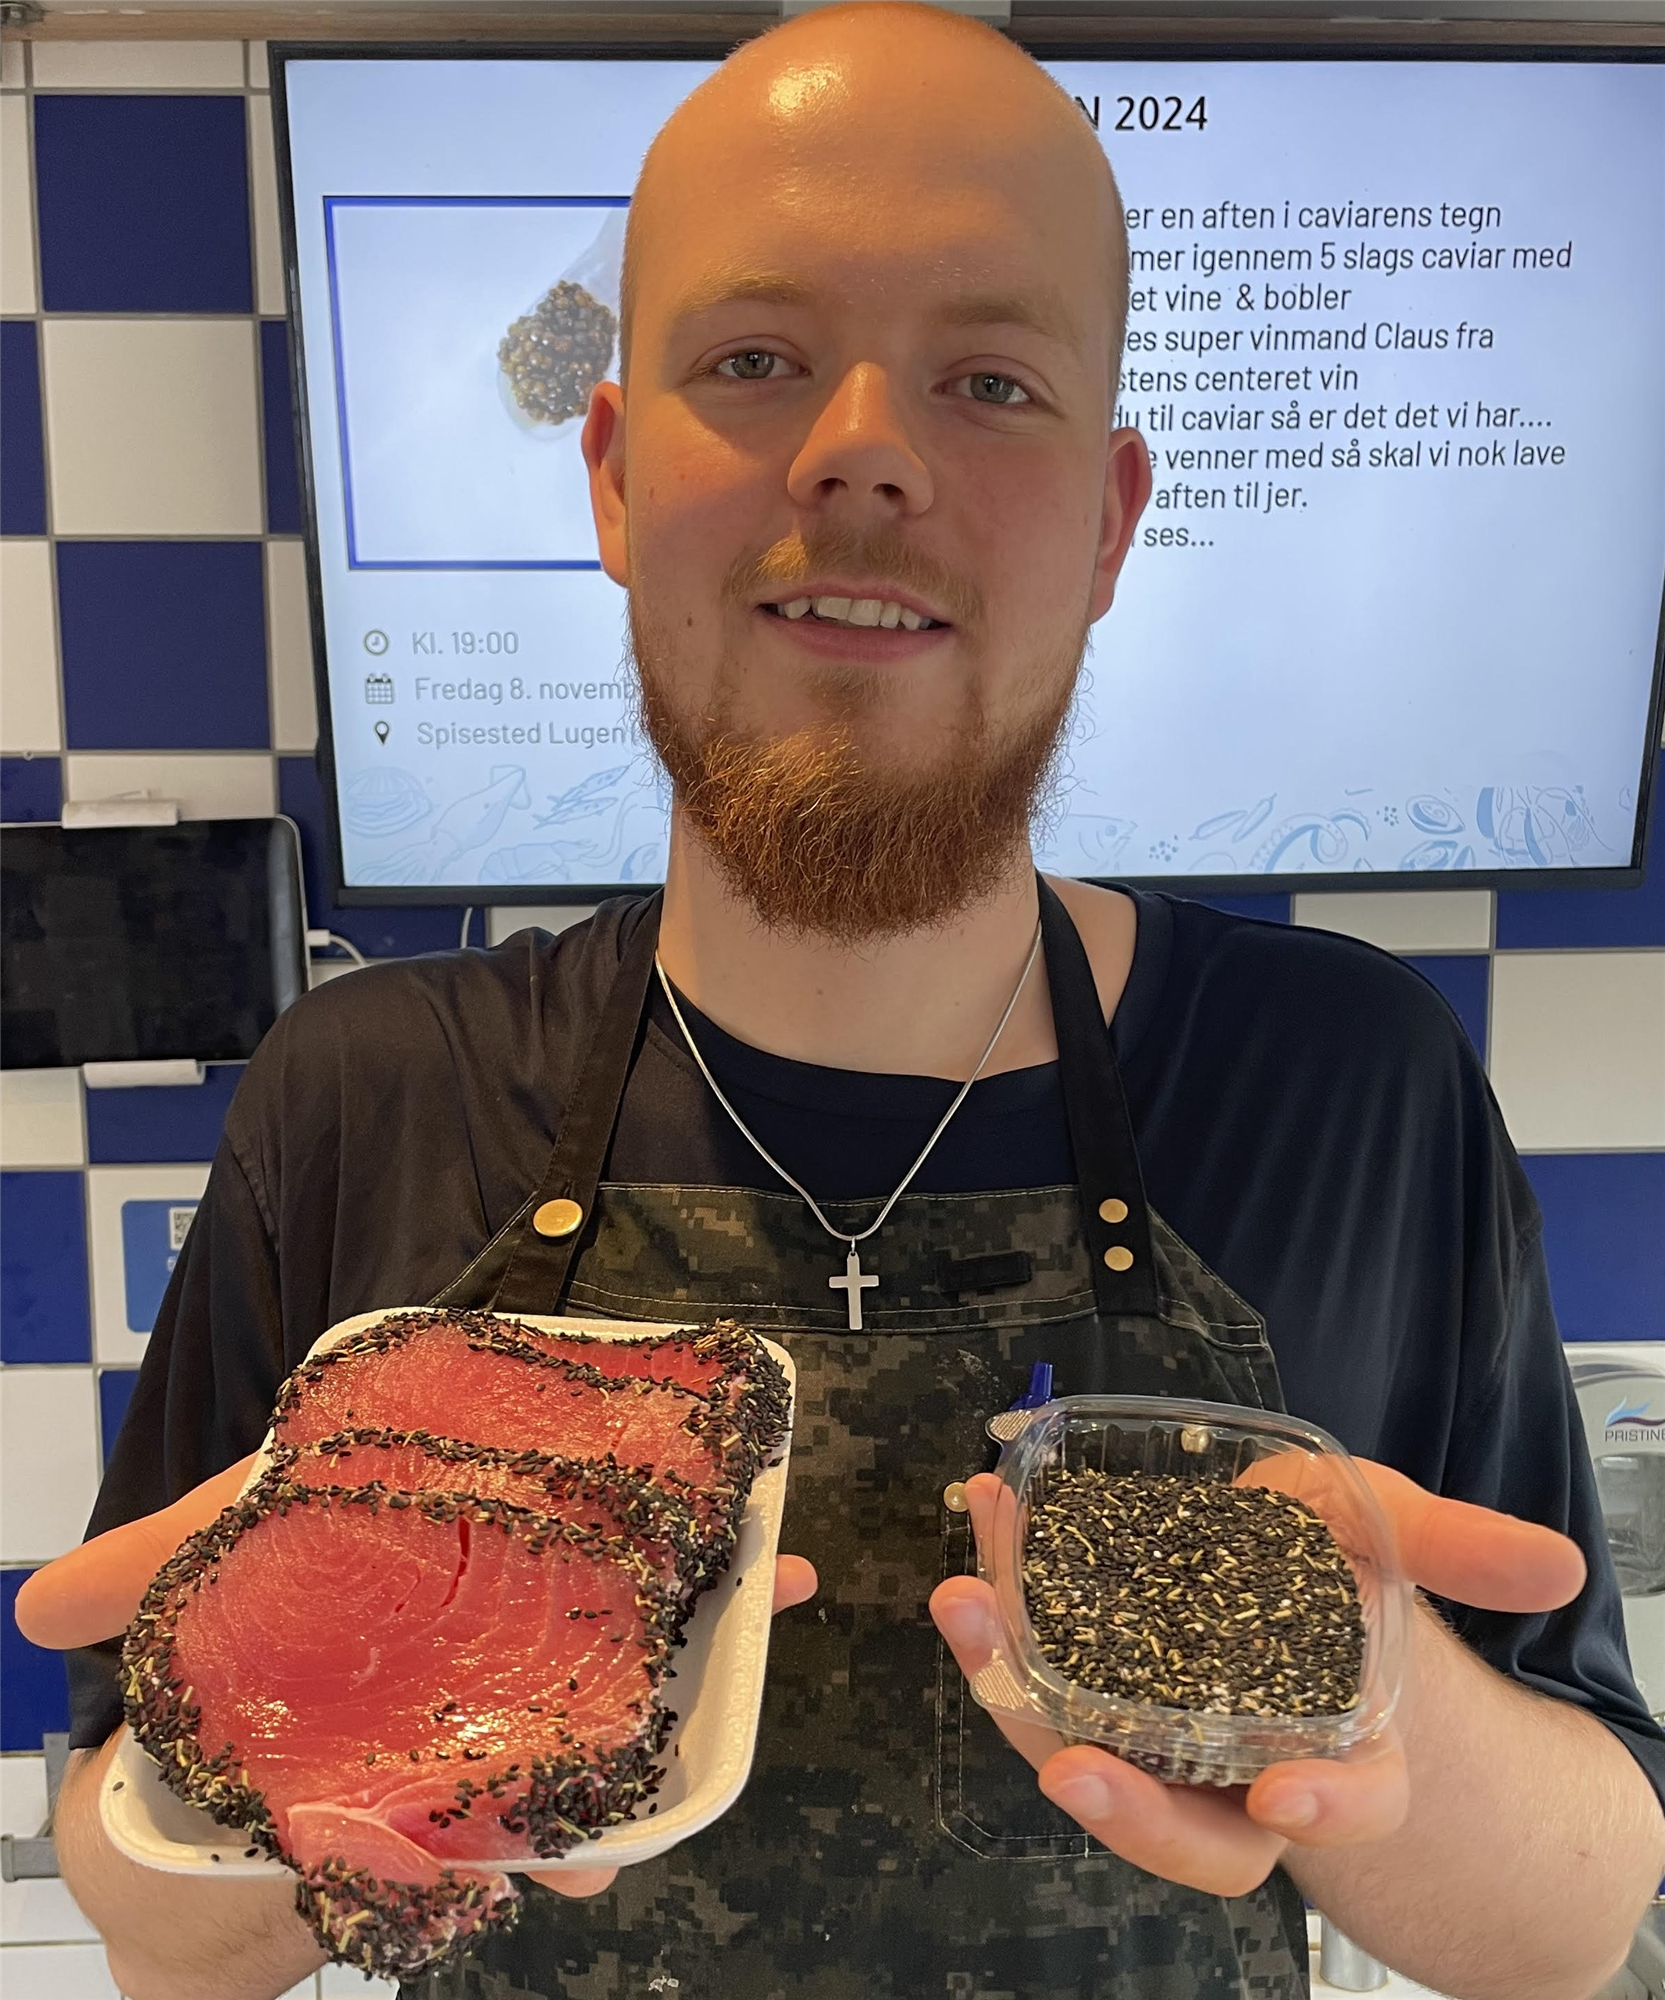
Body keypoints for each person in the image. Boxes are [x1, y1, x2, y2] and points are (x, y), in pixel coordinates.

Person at [16, 6, 1665, 1997]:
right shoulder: (369, 1083)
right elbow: (153, 1929)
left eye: (989, 379)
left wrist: (1364, 1702)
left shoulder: (1347, 1078)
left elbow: (1571, 1925)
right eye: (754, 360)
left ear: (1110, 523)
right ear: (614, 483)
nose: (861, 448)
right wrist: (343, 1713)